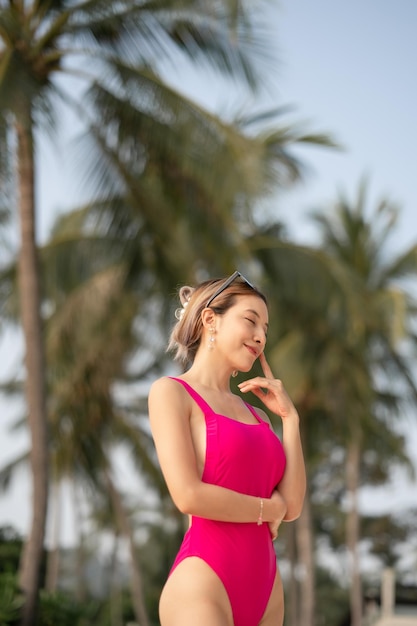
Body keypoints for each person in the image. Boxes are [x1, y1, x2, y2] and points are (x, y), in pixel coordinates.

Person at [148, 271, 306, 626]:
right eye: (251, 321)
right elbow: (188, 495)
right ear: (210, 320)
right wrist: (269, 510)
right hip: (204, 579)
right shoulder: (171, 392)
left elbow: (292, 506)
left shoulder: (259, 416)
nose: (260, 336)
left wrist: (290, 420)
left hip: (267, 587)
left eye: (266, 328)